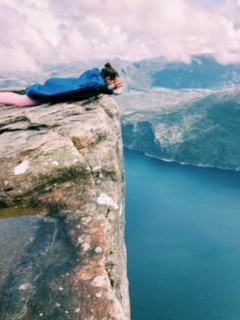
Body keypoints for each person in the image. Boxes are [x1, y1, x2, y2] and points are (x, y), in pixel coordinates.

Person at [0, 63, 123, 107]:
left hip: (57, 84)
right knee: (22, 101)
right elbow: (102, 88)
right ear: (108, 78)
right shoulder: (96, 83)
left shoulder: (94, 74)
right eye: (112, 81)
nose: (113, 83)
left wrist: (111, 87)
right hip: (54, 90)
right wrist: (112, 88)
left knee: (22, 99)